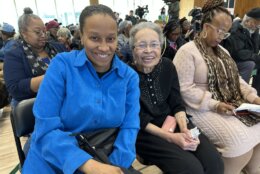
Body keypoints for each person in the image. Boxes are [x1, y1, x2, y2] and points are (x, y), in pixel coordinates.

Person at [22, 4, 140, 174]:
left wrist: (115, 165)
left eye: (111, 39)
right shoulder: (62, 66)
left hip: (104, 153)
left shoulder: (129, 77)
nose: (104, 47)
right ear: (81, 37)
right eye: (94, 38)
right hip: (55, 155)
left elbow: (130, 127)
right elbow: (46, 127)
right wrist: (90, 166)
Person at [173, 0, 260, 174]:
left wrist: (253, 97)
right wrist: (215, 104)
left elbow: (237, 80)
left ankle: (253, 169)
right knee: (239, 141)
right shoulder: (187, 51)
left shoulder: (223, 52)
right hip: (199, 108)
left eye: (226, 33)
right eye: (219, 31)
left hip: (227, 103)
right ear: (206, 27)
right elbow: (184, 89)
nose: (222, 37)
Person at [130, 22, 223, 174]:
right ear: (133, 49)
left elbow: (176, 102)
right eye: (141, 45)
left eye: (154, 44)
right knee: (191, 169)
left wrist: (185, 129)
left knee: (214, 162)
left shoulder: (167, 66)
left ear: (161, 46)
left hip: (174, 120)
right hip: (145, 132)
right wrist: (171, 138)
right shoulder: (127, 75)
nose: (148, 51)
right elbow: (137, 118)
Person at [3, 7, 66, 106]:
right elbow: (16, 89)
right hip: (34, 106)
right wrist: (53, 77)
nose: (43, 35)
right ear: (24, 33)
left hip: (64, 101)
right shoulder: (14, 56)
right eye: (37, 32)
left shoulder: (58, 48)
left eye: (44, 31)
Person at [222, 8, 260, 92]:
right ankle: (241, 92)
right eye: (257, 25)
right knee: (250, 64)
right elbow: (238, 53)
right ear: (248, 21)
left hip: (248, 59)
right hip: (233, 61)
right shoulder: (235, 30)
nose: (257, 27)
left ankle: (256, 94)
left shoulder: (254, 31)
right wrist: (256, 57)